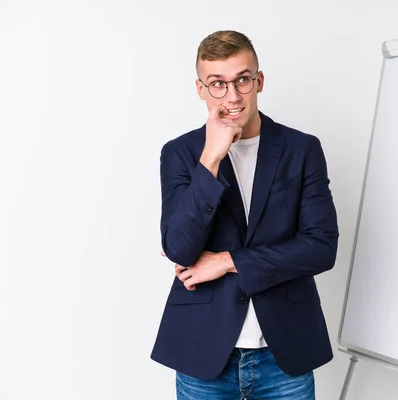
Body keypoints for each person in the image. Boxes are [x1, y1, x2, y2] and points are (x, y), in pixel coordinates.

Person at [150, 30, 339, 400]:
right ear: (200, 89)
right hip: (203, 351)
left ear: (259, 81)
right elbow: (178, 247)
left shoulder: (302, 149)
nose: (232, 96)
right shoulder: (180, 154)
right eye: (217, 84)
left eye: (242, 80)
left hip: (284, 354)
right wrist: (211, 158)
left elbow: (320, 248)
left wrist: (227, 261)